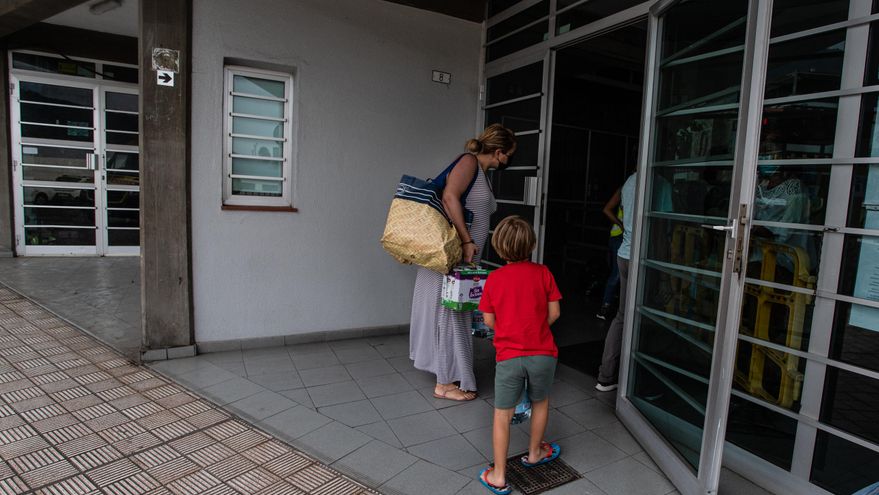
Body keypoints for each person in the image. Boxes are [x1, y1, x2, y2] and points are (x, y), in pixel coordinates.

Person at [409, 124, 516, 402]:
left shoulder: (483, 173)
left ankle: (449, 375)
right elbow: (449, 197)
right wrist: (468, 241)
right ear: (499, 152)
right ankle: (445, 383)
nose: (508, 161)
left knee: (454, 315)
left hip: (461, 259)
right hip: (454, 255)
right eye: (509, 155)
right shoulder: (469, 162)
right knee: (450, 316)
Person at [476, 215, 562, 495]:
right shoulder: (543, 273)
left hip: (509, 356)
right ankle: (535, 453)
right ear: (531, 244)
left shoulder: (495, 279)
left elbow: (488, 320)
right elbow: (555, 313)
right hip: (543, 353)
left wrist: (509, 332)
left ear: (499, 247)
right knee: (540, 402)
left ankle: (499, 475)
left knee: (502, 414)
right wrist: (534, 330)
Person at [596, 170, 672, 392]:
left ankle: (606, 375)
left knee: (623, 315)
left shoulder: (630, 180)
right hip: (643, 258)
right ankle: (638, 382)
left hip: (625, 254)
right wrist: (664, 272)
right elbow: (659, 229)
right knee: (645, 316)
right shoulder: (660, 183)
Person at [597, 187, 624, 320]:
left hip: (623, 236)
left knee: (620, 273)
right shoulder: (625, 187)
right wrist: (621, 224)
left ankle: (610, 307)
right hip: (619, 236)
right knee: (617, 273)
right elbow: (607, 209)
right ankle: (605, 307)